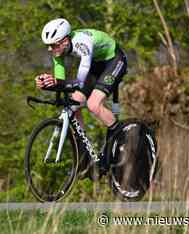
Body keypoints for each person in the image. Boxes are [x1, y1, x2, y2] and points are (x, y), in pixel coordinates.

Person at [35, 18, 127, 177]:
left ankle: (121, 140)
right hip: (96, 64)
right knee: (72, 106)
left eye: (53, 45)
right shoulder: (58, 50)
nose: (50, 49)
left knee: (93, 105)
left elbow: (79, 80)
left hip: (114, 61)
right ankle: (84, 156)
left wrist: (61, 83)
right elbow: (60, 79)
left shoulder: (81, 43)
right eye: (48, 46)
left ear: (64, 41)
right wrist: (51, 86)